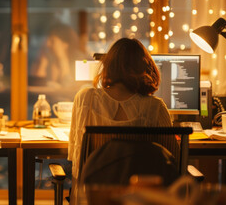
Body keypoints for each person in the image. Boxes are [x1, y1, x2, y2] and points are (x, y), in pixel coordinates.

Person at [67, 38, 172, 204]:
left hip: (93, 198)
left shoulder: (85, 98)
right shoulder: (155, 107)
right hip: (141, 199)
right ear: (145, 68)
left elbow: (76, 156)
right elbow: (172, 161)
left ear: (109, 65)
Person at [31, 23, 92, 88]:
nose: (48, 44)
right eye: (48, 40)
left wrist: (63, 59)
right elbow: (37, 85)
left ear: (65, 44)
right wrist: (42, 64)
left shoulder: (80, 61)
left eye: (52, 41)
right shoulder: (48, 58)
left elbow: (71, 90)